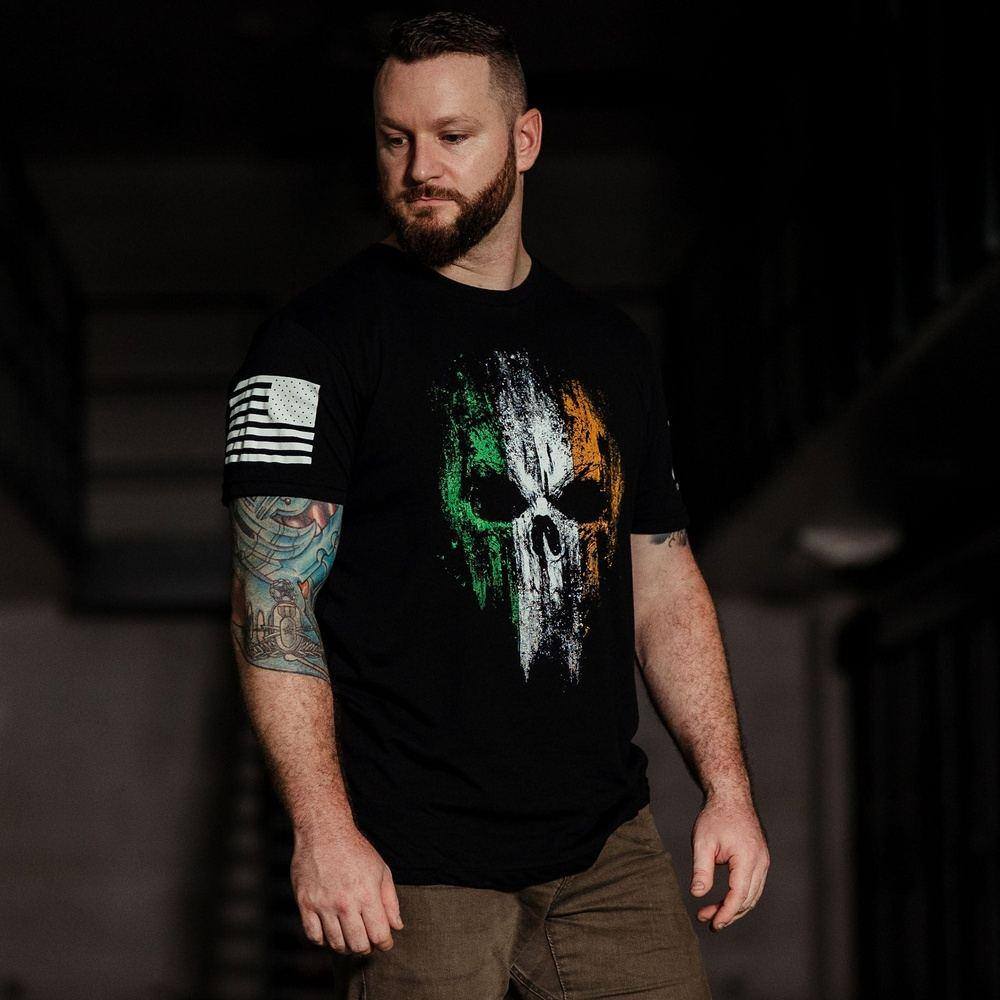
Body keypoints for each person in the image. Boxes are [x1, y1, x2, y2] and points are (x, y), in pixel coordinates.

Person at [221, 10, 769, 999]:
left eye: (451, 135)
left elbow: (661, 579)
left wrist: (726, 787)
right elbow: (274, 600)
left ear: (525, 139)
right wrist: (323, 828)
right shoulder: (315, 342)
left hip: (606, 850)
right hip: (411, 861)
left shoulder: (609, 347)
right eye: (395, 139)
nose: (418, 167)